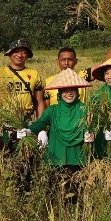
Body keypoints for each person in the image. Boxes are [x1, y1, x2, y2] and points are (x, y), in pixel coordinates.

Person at [19, 69, 94, 200]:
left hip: (77, 156)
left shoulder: (84, 109)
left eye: (72, 90)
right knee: (53, 191)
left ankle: (74, 218)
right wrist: (30, 130)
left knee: (75, 192)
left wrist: (91, 134)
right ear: (59, 93)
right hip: (55, 154)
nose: (69, 94)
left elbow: (92, 126)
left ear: (77, 92)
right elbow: (41, 123)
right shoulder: (53, 110)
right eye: (65, 90)